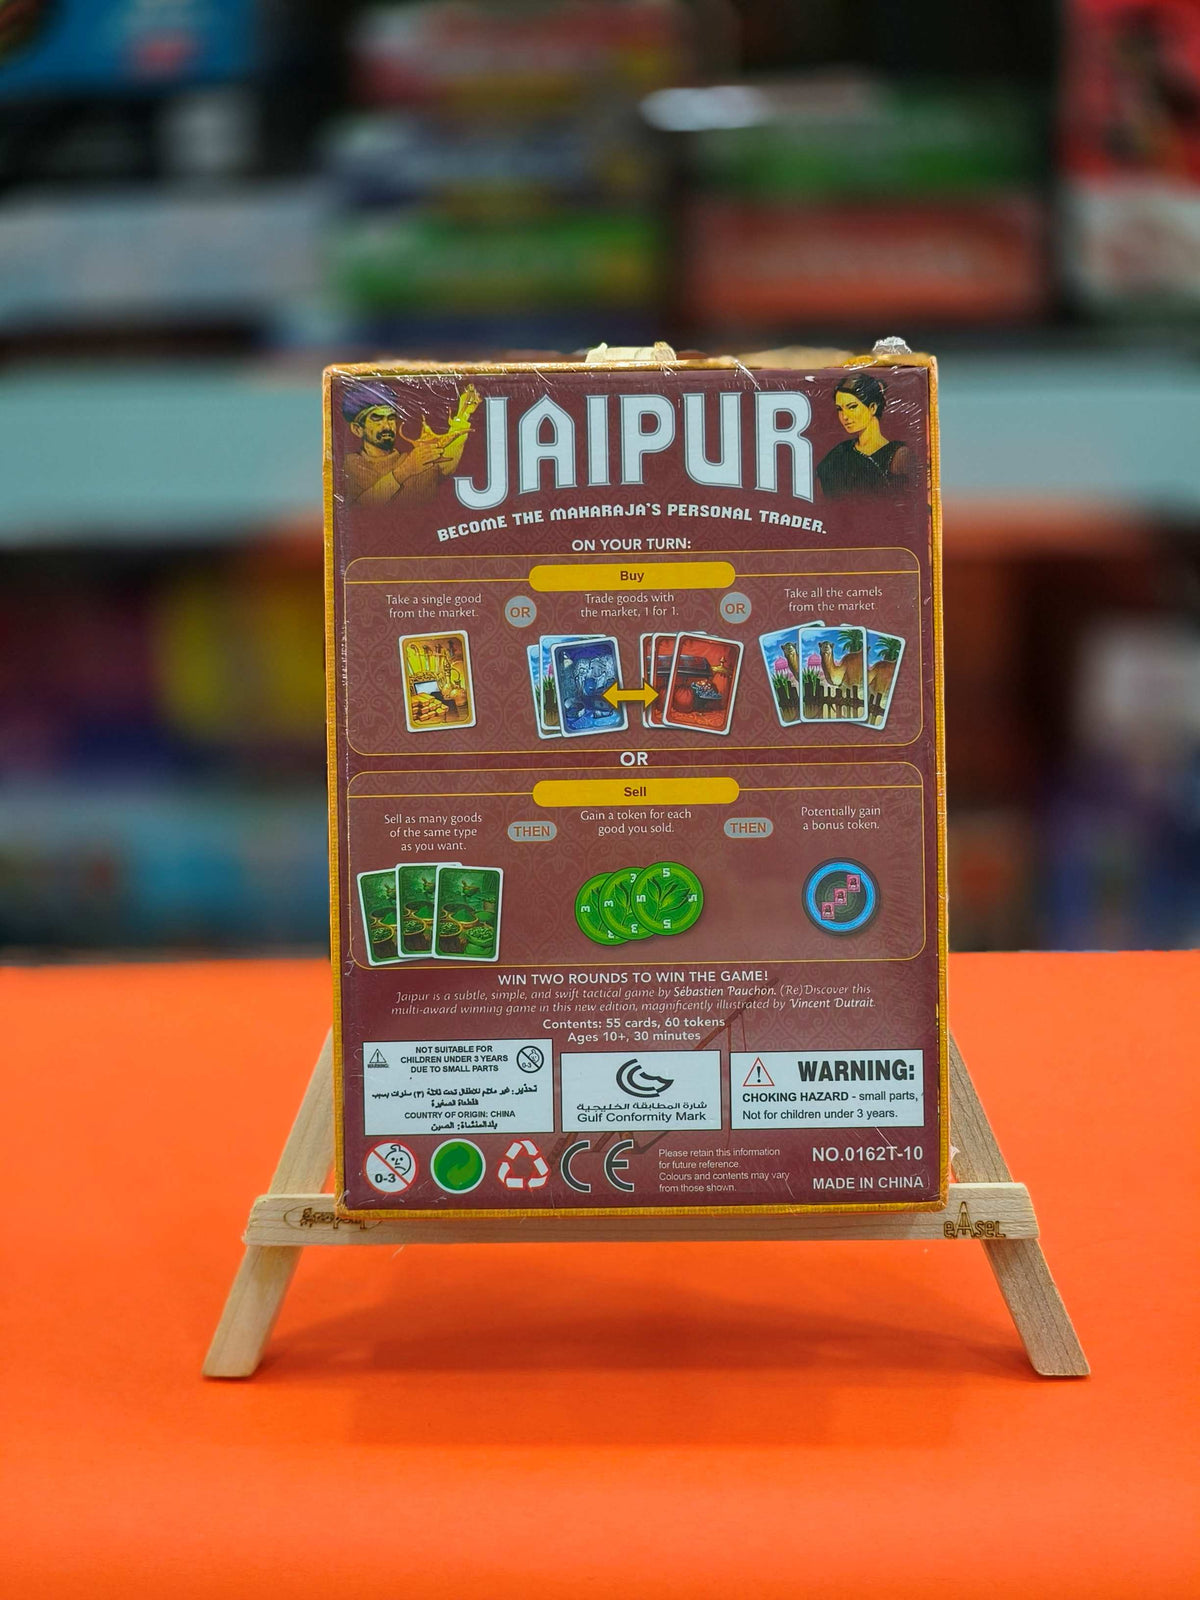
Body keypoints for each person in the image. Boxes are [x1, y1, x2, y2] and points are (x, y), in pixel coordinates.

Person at [342, 382, 480, 506]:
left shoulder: (412, 460)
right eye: (377, 419)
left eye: (390, 418)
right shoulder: (350, 465)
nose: (387, 426)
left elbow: (445, 465)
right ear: (357, 429)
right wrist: (406, 470)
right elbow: (361, 507)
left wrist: (463, 415)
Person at [816, 373, 910, 497]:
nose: (844, 416)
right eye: (840, 409)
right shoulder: (839, 453)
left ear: (873, 407)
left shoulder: (898, 455)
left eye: (852, 407)